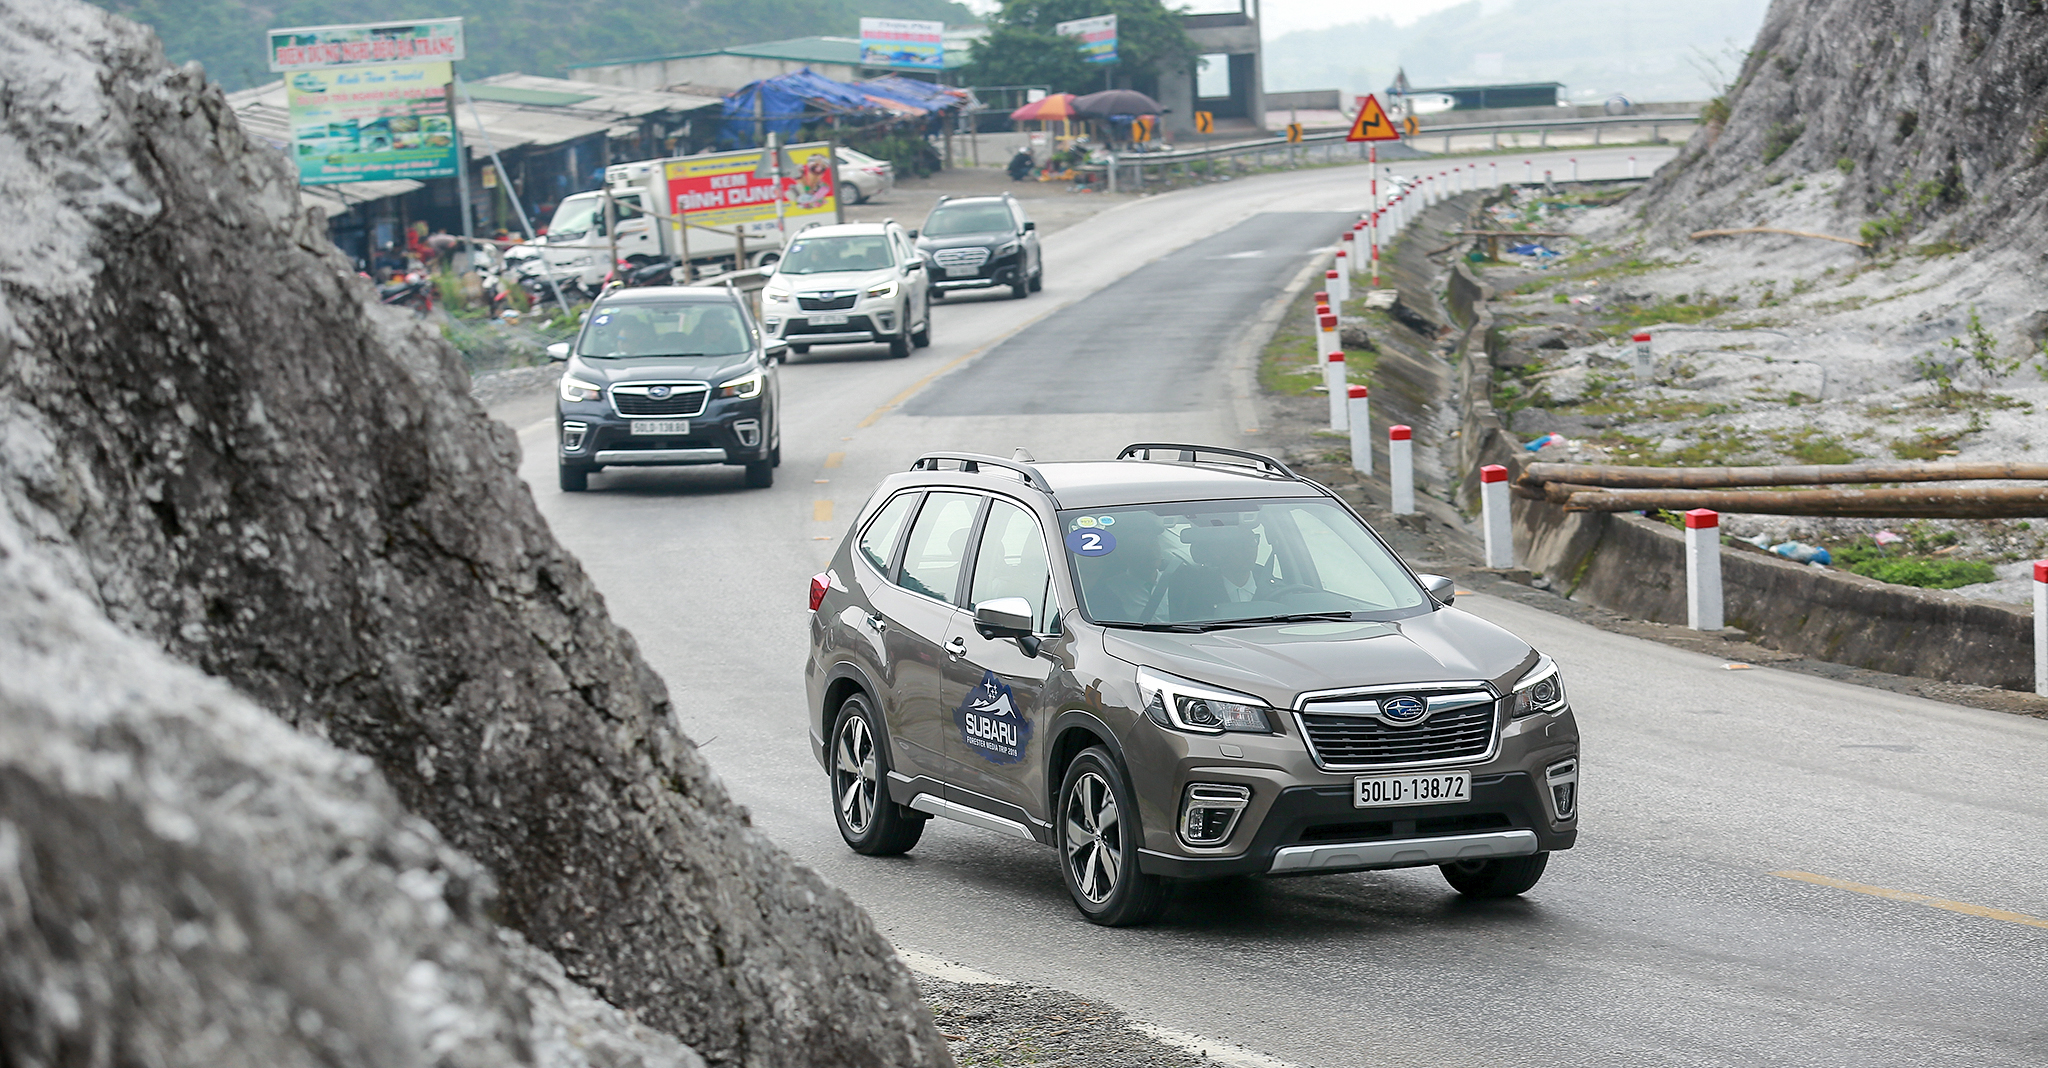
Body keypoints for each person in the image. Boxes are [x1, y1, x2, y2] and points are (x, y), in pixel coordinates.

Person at [1167, 522, 1277, 618]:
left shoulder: (1277, 588)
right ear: (1217, 552)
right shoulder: (1193, 594)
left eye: (1252, 541)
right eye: (1238, 543)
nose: (1248, 549)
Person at [1075, 512, 1166, 621]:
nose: (1151, 551)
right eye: (1141, 546)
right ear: (1122, 554)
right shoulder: (1106, 594)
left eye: (1153, 542)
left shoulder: (1180, 582)